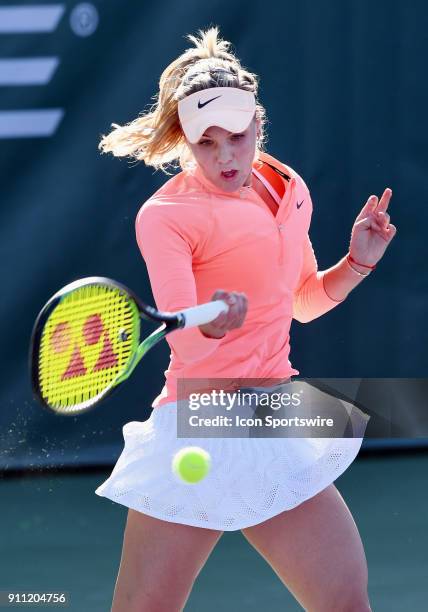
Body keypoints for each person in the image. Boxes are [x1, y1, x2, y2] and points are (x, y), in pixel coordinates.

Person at [95, 26, 396, 612]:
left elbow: (303, 301)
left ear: (259, 123)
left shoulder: (287, 188)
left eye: (236, 136)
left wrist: (358, 261)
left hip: (271, 417)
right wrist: (211, 324)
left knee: (344, 601)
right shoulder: (166, 217)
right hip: (199, 421)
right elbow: (190, 347)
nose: (226, 156)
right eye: (206, 144)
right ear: (185, 142)